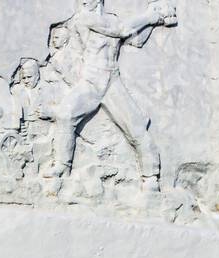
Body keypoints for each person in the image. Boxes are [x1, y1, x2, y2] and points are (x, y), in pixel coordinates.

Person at [43, 0, 176, 190]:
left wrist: (157, 20)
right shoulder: (84, 18)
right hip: (91, 81)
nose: (83, 2)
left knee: (136, 126)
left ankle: (151, 176)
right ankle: (62, 166)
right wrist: (149, 15)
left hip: (112, 81)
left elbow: (135, 40)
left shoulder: (112, 19)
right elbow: (121, 30)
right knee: (65, 114)